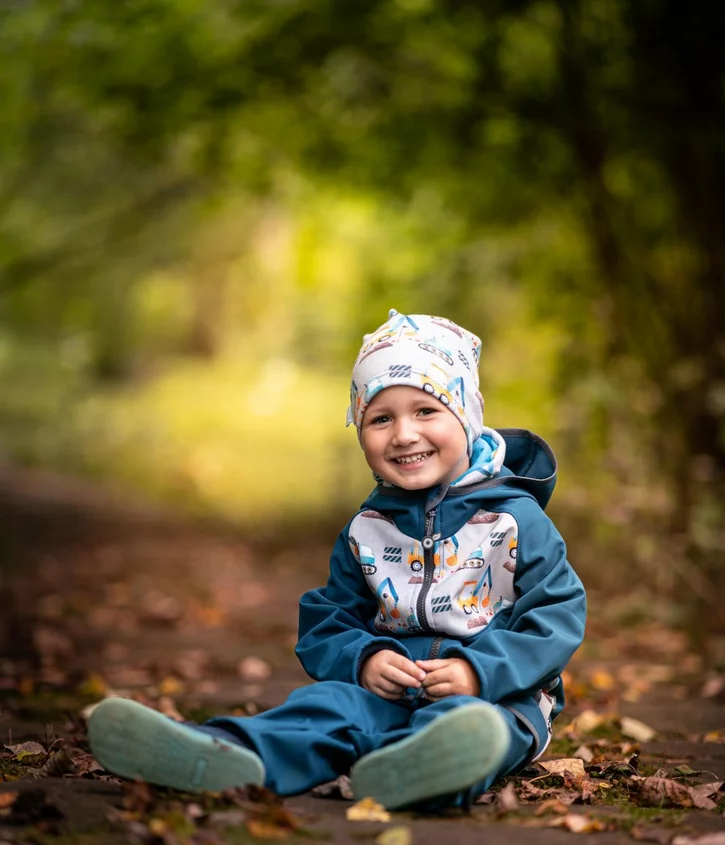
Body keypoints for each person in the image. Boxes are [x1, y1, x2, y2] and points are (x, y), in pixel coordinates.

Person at [88, 310, 586, 810]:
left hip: (497, 696)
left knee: (473, 730)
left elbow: (556, 615)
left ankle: (420, 769)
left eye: (426, 411)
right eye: (380, 418)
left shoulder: (516, 521)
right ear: (360, 430)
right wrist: (364, 660)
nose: (404, 434)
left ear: (467, 416)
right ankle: (232, 757)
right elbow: (328, 621)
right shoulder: (366, 530)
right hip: (388, 691)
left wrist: (480, 672)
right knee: (323, 708)